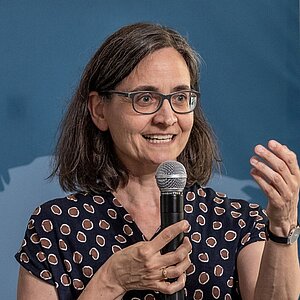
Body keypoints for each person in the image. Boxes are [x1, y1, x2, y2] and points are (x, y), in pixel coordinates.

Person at [15, 22, 300, 300]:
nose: (166, 118)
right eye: (146, 98)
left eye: (180, 97)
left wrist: (282, 225)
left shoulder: (238, 222)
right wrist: (112, 280)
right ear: (99, 110)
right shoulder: (54, 227)